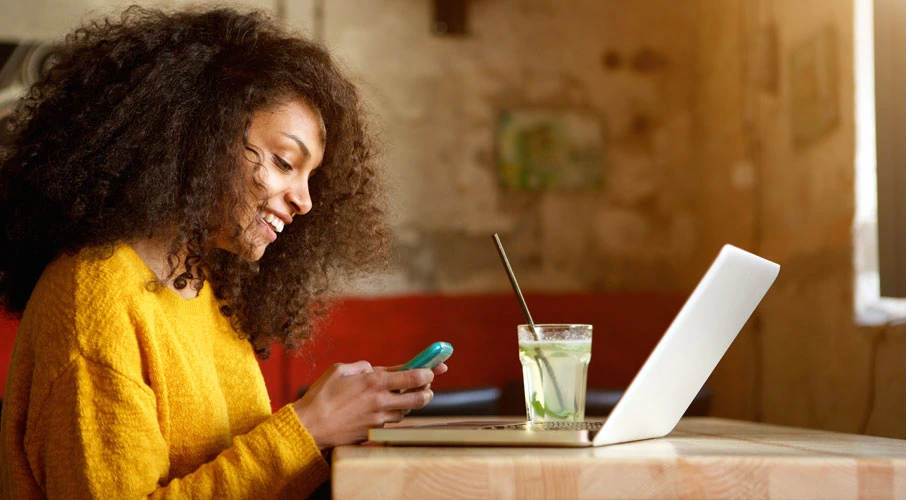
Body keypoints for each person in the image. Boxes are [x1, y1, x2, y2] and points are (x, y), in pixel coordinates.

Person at [0, 6, 446, 499]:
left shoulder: (200, 285)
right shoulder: (93, 298)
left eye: (309, 177)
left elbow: (240, 476)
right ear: (200, 133)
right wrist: (309, 427)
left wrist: (335, 427)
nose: (305, 200)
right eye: (283, 161)